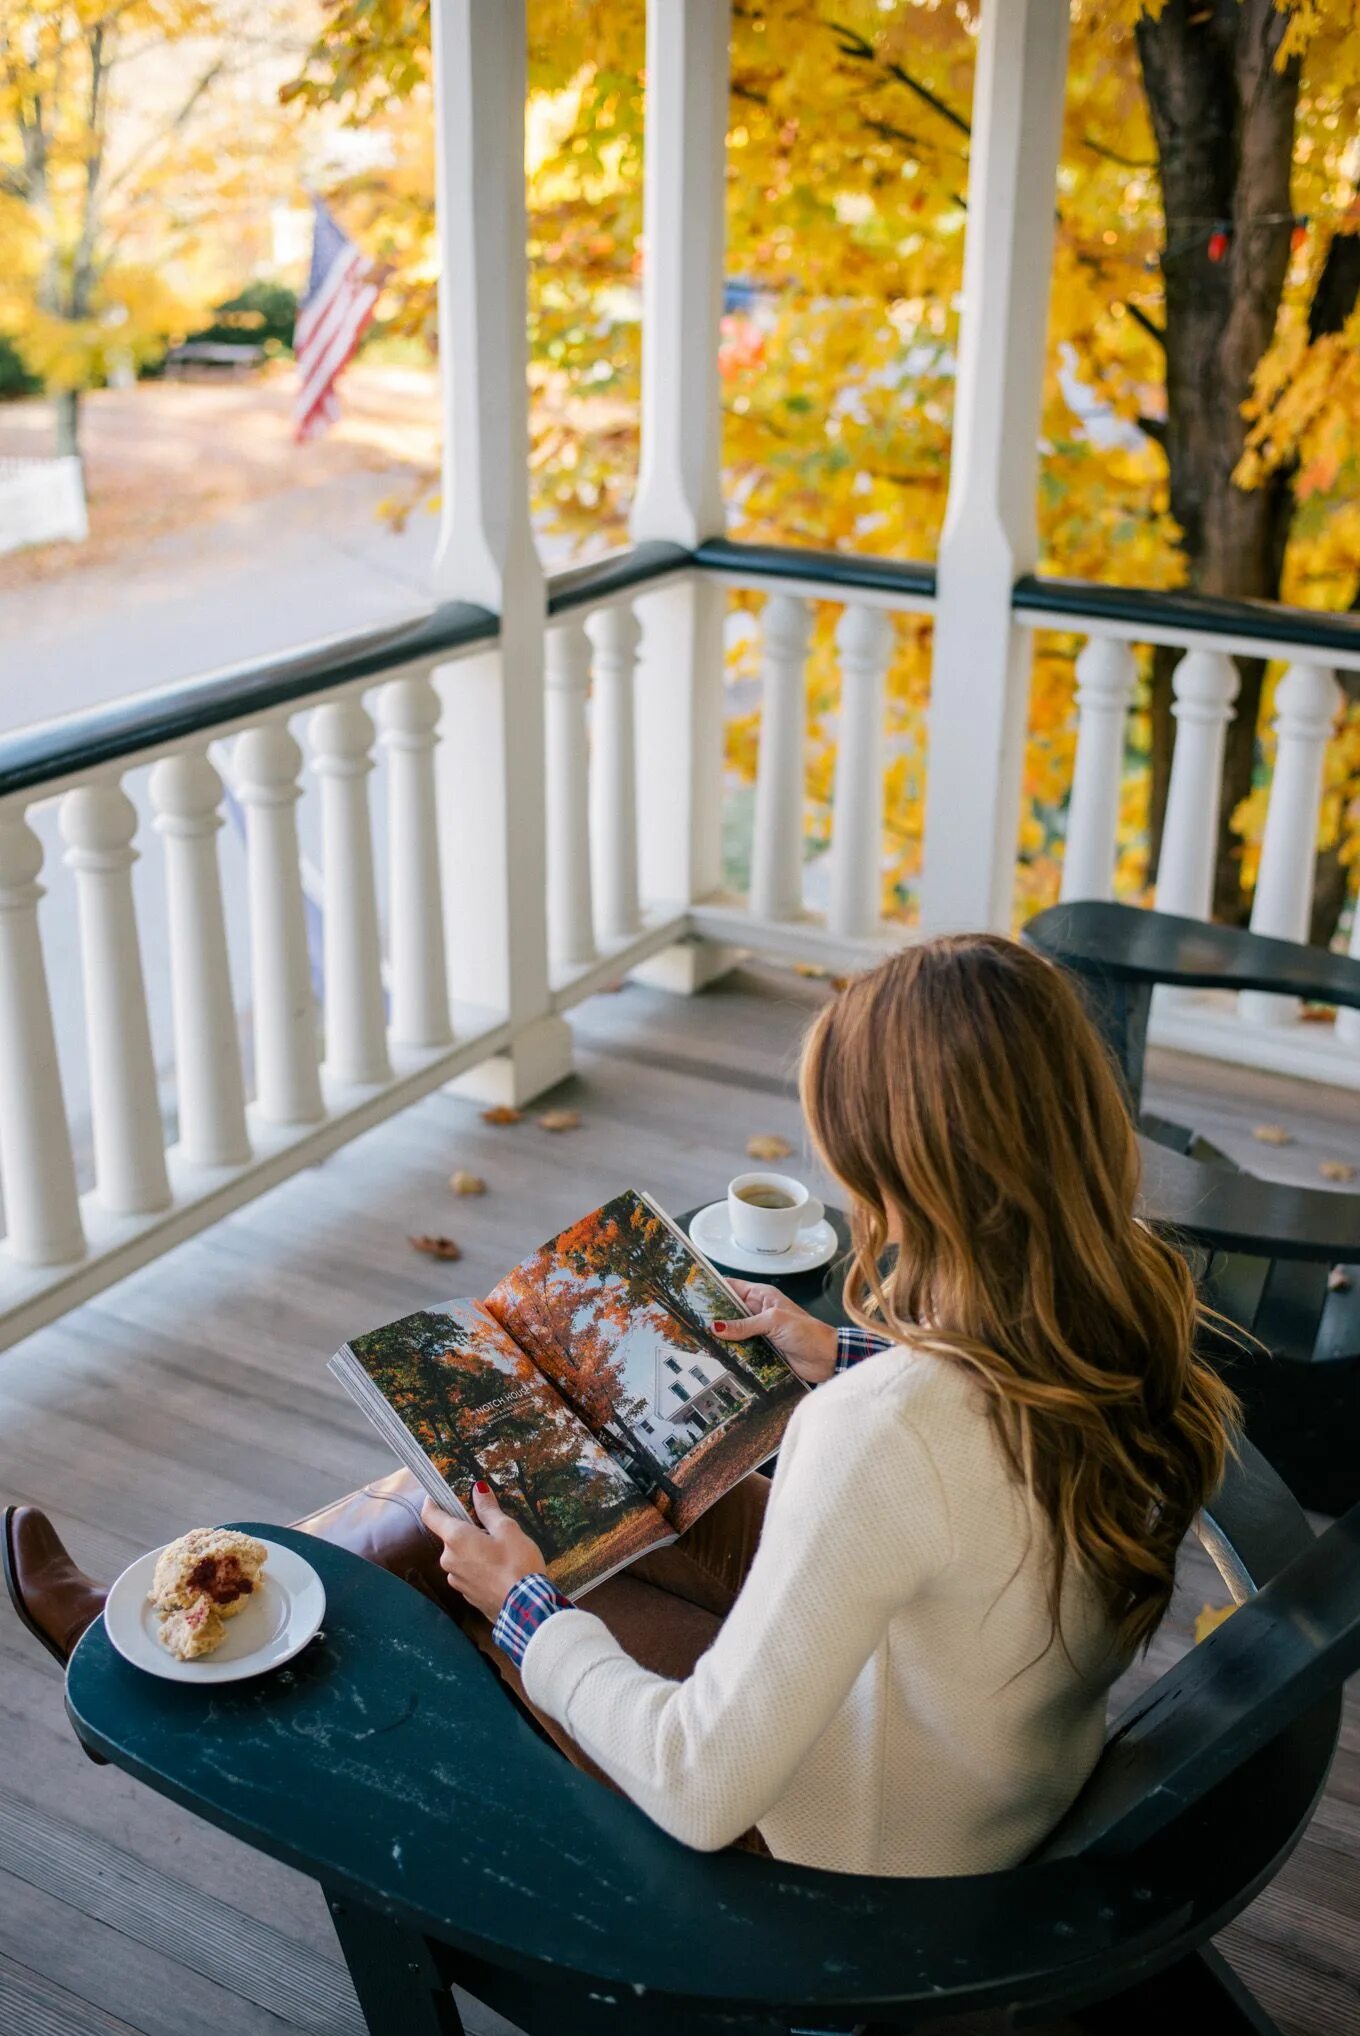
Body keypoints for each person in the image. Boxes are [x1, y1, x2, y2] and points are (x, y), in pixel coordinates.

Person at [418, 933, 1240, 1876]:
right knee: (592, 1514)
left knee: (456, 1578)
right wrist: (841, 1352)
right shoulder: (1130, 1293)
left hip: (860, 1866)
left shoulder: (886, 1431)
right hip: (998, 1773)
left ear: (895, 1182)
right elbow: (968, 1445)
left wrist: (524, 1611)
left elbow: (698, 1785)